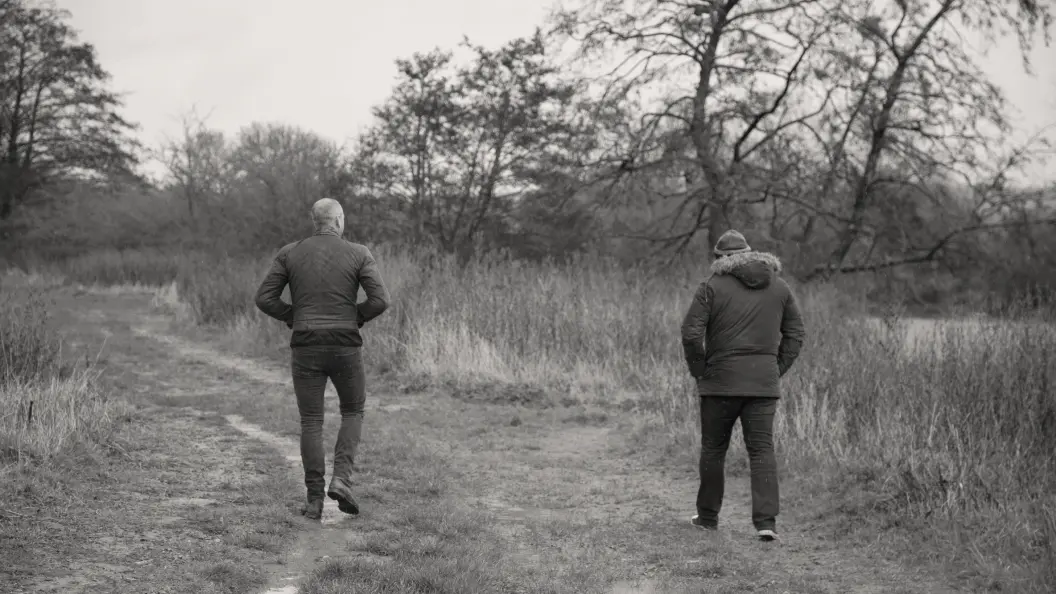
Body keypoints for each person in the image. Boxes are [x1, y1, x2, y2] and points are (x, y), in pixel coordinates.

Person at [254, 198, 390, 520]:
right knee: (353, 410)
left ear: (314, 222)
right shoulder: (359, 253)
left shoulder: (290, 253)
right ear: (339, 221)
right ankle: (341, 479)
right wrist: (355, 317)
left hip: (306, 346)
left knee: (311, 421)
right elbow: (381, 300)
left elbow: (264, 298)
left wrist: (293, 315)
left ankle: (314, 501)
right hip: (345, 345)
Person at [680, 229, 806, 541]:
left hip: (719, 383)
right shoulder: (779, 287)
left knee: (713, 449)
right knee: (762, 450)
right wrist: (775, 370)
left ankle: (708, 517)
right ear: (749, 253)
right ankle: (766, 523)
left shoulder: (710, 286)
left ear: (721, 258)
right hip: (762, 384)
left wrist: (700, 370)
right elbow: (796, 334)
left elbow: (691, 333)